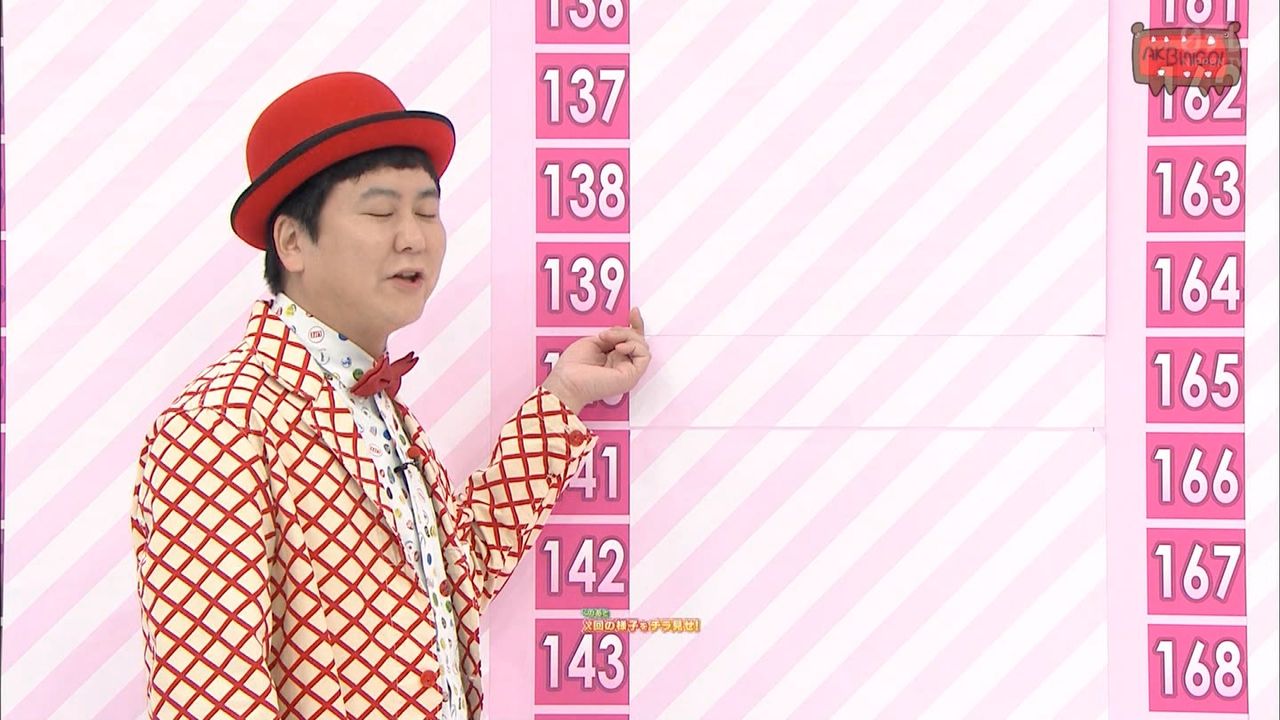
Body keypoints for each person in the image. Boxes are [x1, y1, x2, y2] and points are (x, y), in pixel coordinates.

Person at [128, 71, 650, 720]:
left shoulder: (378, 410)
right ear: (292, 241)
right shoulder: (219, 427)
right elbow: (210, 702)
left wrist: (563, 396)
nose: (414, 237)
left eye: (427, 211)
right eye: (380, 212)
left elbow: (459, 574)